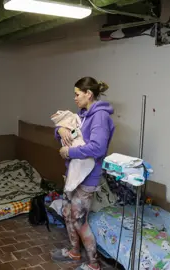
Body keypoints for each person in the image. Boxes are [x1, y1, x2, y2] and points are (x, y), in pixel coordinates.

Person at [52, 77, 115, 270]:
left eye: (77, 94)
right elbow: (67, 133)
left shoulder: (100, 117)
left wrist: (68, 152)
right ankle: (74, 252)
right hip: (74, 173)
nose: (75, 98)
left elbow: (97, 148)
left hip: (88, 177)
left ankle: (94, 264)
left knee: (79, 220)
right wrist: (60, 129)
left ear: (89, 94)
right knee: (67, 213)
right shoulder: (83, 115)